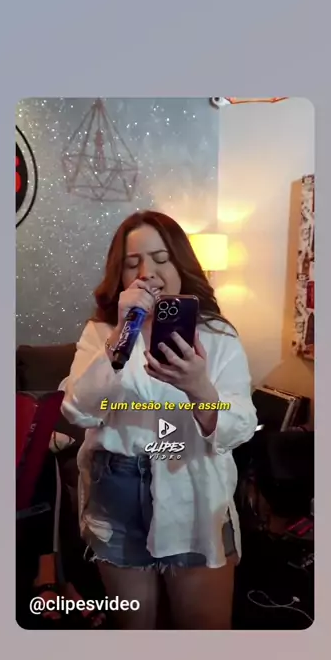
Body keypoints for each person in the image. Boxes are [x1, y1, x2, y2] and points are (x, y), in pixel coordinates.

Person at [60, 210, 257, 629]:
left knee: (204, 633)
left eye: (161, 258)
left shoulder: (218, 335)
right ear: (120, 275)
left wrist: (200, 389)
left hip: (194, 485)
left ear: (181, 264)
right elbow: (77, 410)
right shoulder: (101, 333)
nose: (147, 272)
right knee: (134, 631)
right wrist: (122, 336)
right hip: (116, 487)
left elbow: (241, 425)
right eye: (132, 263)